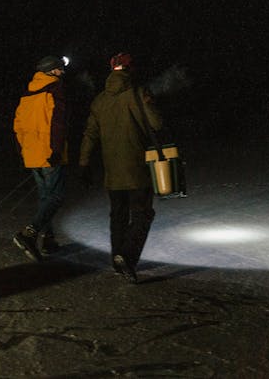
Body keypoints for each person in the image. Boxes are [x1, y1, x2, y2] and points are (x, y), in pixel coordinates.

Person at [78, 52, 162, 283]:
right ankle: (127, 256)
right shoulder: (138, 93)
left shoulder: (99, 100)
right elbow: (157, 123)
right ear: (130, 69)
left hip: (112, 173)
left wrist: (84, 162)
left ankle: (117, 259)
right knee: (143, 214)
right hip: (137, 170)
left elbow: (90, 135)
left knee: (118, 215)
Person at [12, 55, 69, 262]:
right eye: (59, 69)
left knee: (46, 198)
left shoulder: (27, 93)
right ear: (51, 71)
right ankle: (30, 233)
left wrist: (23, 150)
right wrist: (55, 150)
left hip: (32, 153)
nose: (62, 72)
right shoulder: (55, 89)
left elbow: (17, 125)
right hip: (49, 153)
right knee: (56, 196)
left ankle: (48, 240)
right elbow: (58, 122)